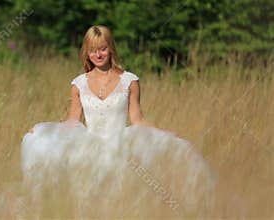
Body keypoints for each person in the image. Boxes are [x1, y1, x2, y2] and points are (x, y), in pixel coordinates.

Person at [19, 25, 218, 218]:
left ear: (111, 49)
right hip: (89, 147)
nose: (98, 55)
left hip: (121, 145)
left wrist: (164, 134)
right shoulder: (78, 83)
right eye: (92, 50)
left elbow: (137, 119)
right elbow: (73, 121)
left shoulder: (129, 81)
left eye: (102, 49)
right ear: (86, 53)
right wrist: (44, 129)